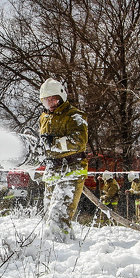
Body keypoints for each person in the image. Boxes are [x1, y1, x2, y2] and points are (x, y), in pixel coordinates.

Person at [37, 78, 88, 238]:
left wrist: (54, 143)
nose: (50, 103)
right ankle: (65, 243)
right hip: (52, 170)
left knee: (58, 214)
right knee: (49, 214)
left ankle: (59, 252)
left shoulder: (75, 116)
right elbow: (42, 145)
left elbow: (79, 141)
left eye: (53, 99)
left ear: (61, 97)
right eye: (47, 100)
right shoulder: (43, 118)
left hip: (71, 169)